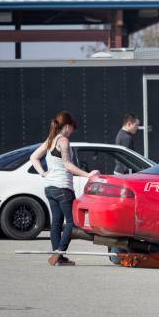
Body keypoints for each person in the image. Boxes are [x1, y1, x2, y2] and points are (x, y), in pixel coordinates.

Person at [30, 111, 99, 266]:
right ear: (67, 126)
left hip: (50, 187)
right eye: (73, 127)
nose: (73, 131)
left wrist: (43, 173)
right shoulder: (63, 141)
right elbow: (68, 165)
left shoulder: (50, 140)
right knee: (72, 222)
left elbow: (33, 157)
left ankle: (58, 257)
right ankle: (59, 251)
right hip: (63, 187)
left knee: (56, 222)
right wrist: (88, 175)